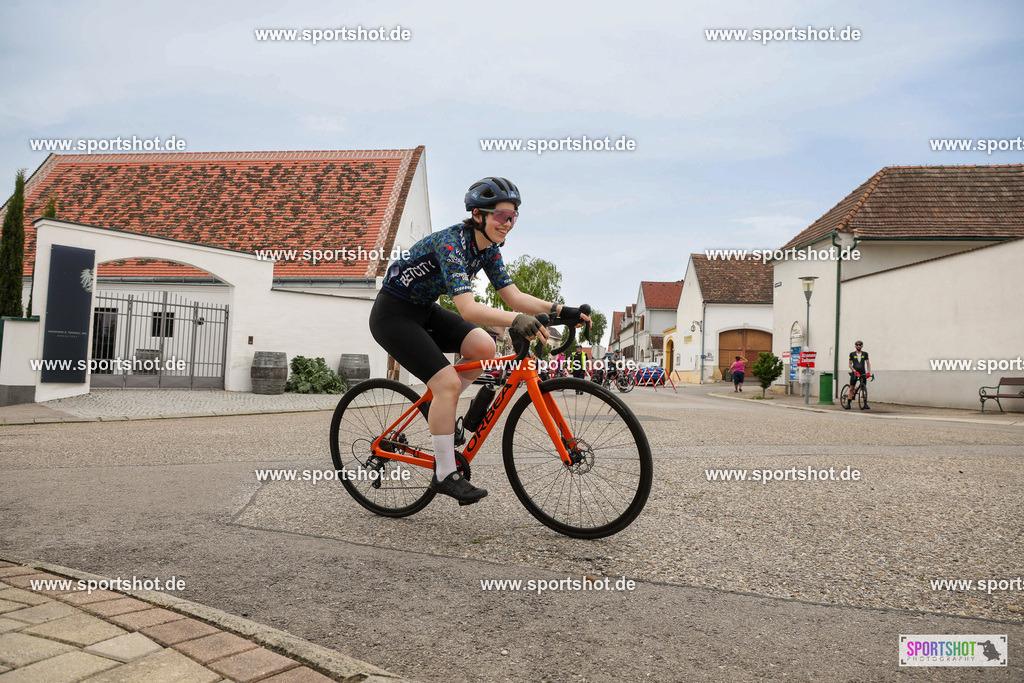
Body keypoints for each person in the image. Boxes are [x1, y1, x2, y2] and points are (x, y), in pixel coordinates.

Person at [370, 177, 589, 504]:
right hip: (393, 315)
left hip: (425, 310)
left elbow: (513, 296)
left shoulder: (489, 250)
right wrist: (516, 321)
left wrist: (561, 310)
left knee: (483, 348)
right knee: (447, 384)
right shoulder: (451, 244)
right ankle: (444, 472)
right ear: (478, 215)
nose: (508, 224)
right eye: (502, 216)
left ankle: (439, 410)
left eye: (514, 217)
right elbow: (468, 308)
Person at [846, 341, 872, 409]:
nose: (858, 346)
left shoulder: (865, 354)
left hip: (862, 372)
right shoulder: (852, 354)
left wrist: (868, 372)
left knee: (863, 388)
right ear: (855, 346)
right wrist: (854, 371)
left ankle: (865, 404)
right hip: (855, 373)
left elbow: (868, 364)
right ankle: (848, 404)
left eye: (860, 345)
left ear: (862, 346)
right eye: (857, 345)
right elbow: (850, 365)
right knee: (851, 388)